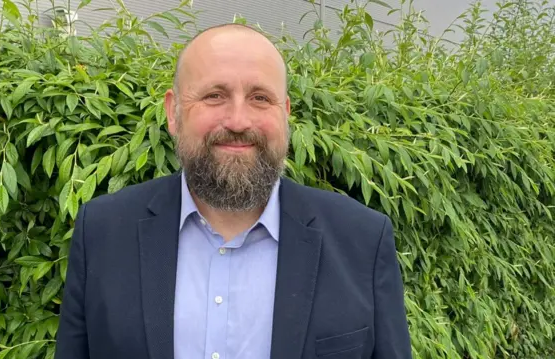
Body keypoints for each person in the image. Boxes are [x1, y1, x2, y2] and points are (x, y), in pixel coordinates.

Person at [55, 23, 412, 359]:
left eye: (260, 98)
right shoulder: (102, 232)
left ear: (285, 114)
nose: (239, 121)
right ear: (173, 112)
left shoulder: (363, 241)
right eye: (214, 95)